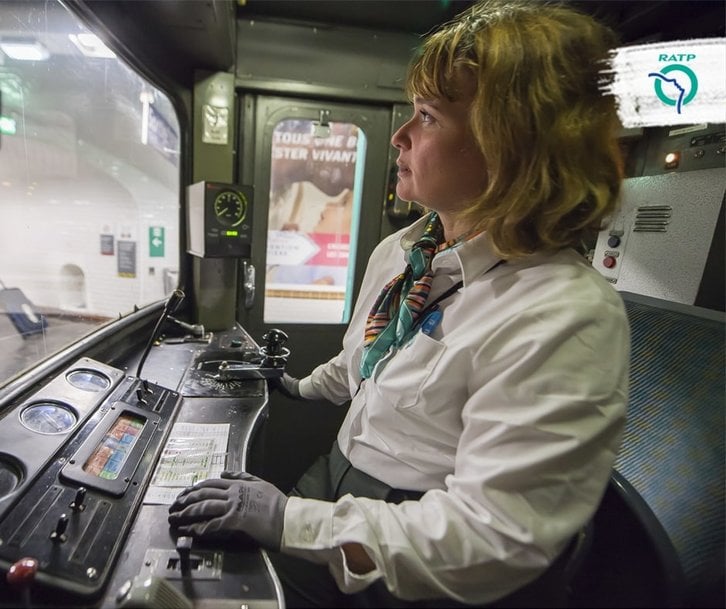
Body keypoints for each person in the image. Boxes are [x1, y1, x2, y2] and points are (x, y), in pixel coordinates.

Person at [168, 1, 630, 606]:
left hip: (421, 547)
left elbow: (493, 537)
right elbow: (363, 359)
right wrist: (293, 385)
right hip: (336, 475)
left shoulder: (564, 313)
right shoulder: (404, 250)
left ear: (511, 144)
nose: (400, 136)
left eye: (428, 117)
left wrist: (288, 520)